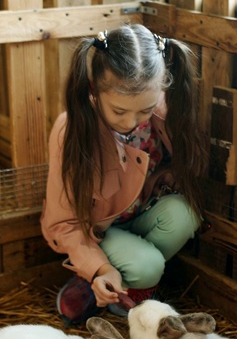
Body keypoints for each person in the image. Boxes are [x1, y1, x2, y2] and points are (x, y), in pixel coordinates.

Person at [40, 23, 208, 324]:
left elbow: (185, 164)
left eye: (144, 110)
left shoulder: (164, 111)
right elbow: (63, 223)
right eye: (119, 111)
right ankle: (99, 274)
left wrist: (170, 172)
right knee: (148, 265)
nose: (132, 121)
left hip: (140, 217)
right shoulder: (72, 130)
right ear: (94, 89)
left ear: (161, 89)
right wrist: (99, 267)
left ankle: (119, 286)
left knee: (186, 215)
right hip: (96, 233)